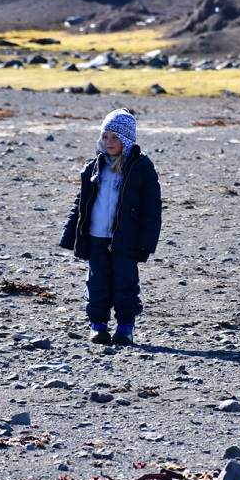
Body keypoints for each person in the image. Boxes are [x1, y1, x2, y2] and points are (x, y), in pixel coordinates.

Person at [60, 108, 162, 345]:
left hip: (126, 238)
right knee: (96, 283)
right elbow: (81, 202)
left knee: (126, 283)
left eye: (115, 137)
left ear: (126, 139)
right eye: (105, 136)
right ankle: (98, 325)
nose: (109, 142)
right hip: (96, 236)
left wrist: (147, 242)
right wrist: (69, 235)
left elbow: (152, 208)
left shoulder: (141, 167)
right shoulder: (94, 167)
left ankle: (125, 327)